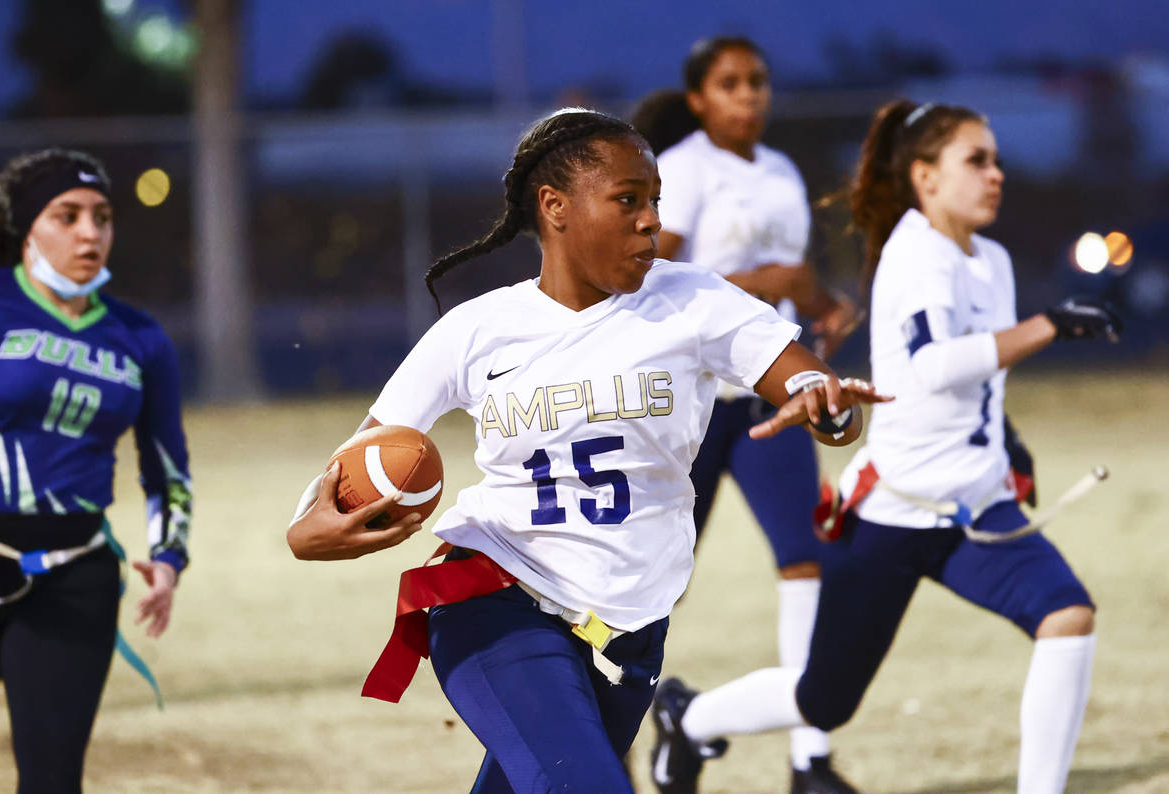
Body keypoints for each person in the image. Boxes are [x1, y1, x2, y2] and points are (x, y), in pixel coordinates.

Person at [286, 107, 888, 794]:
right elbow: (341, 481)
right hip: (497, 599)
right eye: (628, 200)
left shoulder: (692, 299)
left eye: (656, 201)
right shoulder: (476, 330)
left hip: (628, 635)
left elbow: (810, 385)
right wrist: (316, 533)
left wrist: (826, 404)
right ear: (555, 207)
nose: (651, 220)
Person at [649, 100, 1122, 794]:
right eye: (977, 160)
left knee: (1068, 615)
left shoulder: (990, 257)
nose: (996, 174)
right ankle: (689, 719)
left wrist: (1008, 444)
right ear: (926, 177)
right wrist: (1050, 325)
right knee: (824, 699)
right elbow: (933, 366)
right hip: (891, 514)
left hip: (975, 512)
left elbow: (977, 378)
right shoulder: (913, 253)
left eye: (996, 159)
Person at [631, 36, 861, 794]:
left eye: (758, 81)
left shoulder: (783, 172)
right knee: (649, 585)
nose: (750, 95)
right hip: (691, 405)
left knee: (808, 562)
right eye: (731, 83)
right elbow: (648, 278)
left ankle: (811, 763)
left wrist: (822, 306)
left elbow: (789, 285)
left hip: (769, 398)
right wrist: (774, 278)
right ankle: (612, 747)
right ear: (698, 98)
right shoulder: (686, 169)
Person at [0, 150, 192, 793]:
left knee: (52, 782)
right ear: (26, 230)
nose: (89, 233)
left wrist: (169, 557)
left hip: (73, 578)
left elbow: (167, 466)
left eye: (101, 217)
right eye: (66, 216)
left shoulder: (139, 338)